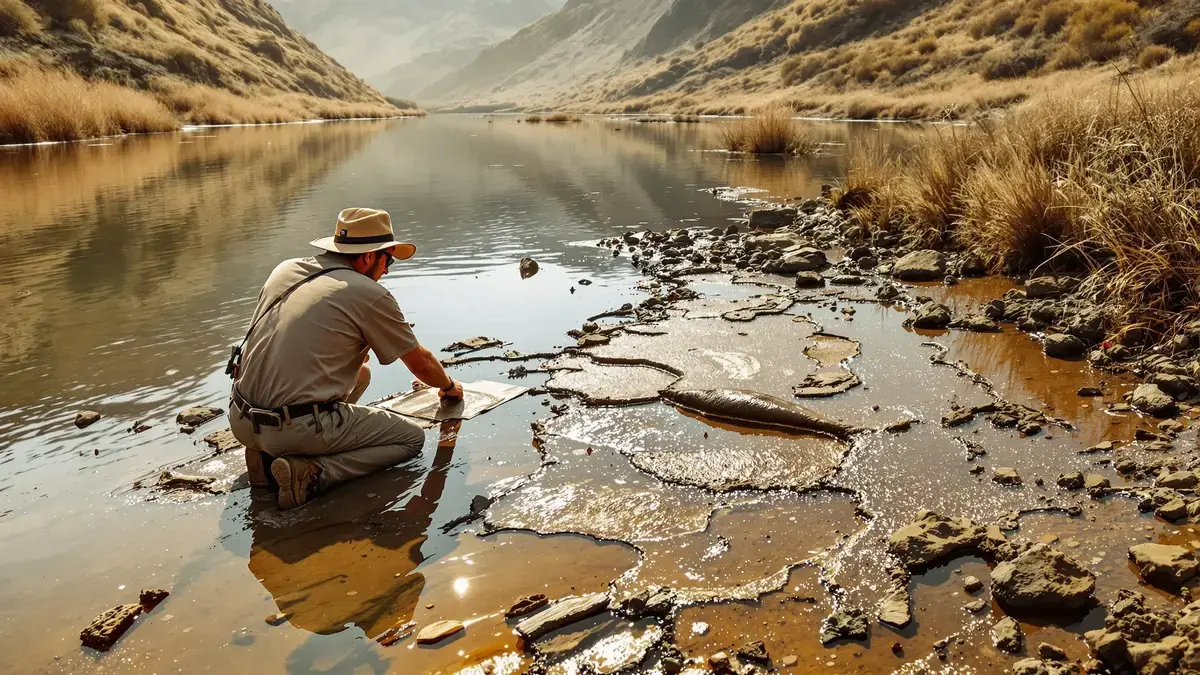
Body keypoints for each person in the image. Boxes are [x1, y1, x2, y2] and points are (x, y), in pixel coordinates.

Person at [227, 207, 463, 510]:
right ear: (368, 257)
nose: (387, 270)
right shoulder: (369, 294)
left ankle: (264, 456)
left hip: (242, 419)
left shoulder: (285, 269)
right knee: (411, 440)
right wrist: (449, 387)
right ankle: (310, 473)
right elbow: (422, 365)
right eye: (387, 259)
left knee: (362, 374)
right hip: (290, 429)